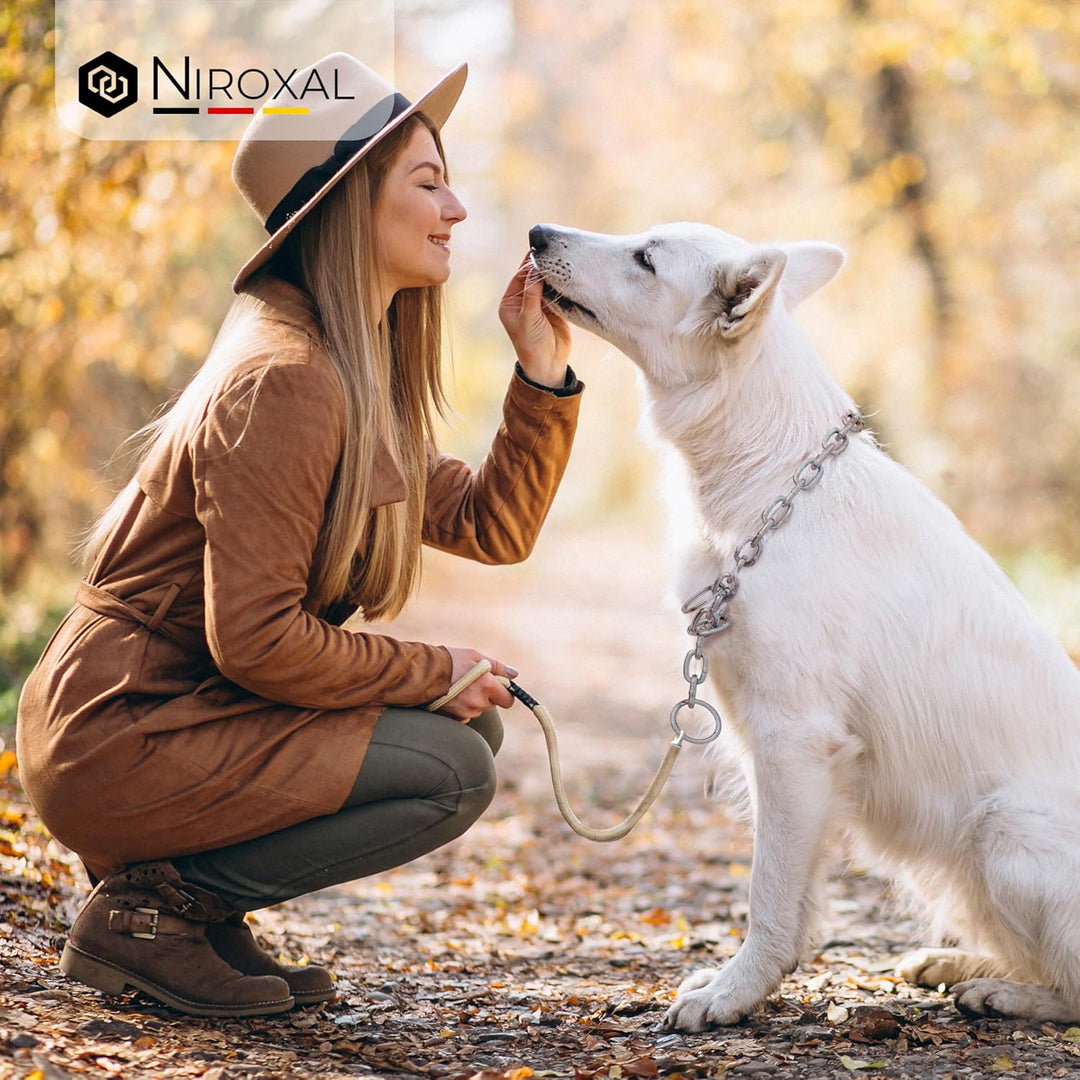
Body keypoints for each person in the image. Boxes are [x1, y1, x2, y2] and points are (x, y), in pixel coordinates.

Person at [15, 53, 580, 1018]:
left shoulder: (342, 371)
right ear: (350, 202)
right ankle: (156, 915)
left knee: (466, 727)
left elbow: (494, 525)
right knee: (451, 766)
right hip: (125, 728)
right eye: (429, 181)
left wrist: (542, 374)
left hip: (176, 711)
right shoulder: (288, 379)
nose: (458, 210)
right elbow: (260, 640)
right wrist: (430, 665)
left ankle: (192, 911)